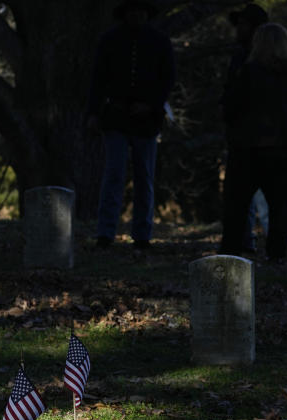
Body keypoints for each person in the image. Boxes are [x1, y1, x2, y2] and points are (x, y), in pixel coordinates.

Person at [87, 0, 175, 250]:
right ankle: (105, 233)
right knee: (114, 174)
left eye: (140, 10)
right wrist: (93, 112)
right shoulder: (110, 40)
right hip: (115, 116)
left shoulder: (159, 41)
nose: (136, 15)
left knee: (144, 176)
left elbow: (167, 78)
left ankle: (142, 234)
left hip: (146, 119)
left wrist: (151, 105)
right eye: (132, 11)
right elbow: (98, 79)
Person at [222, 22, 287, 261]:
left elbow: (230, 108)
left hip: (249, 147)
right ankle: (277, 254)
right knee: (280, 205)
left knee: (237, 204)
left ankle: (230, 252)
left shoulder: (248, 72)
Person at [222, 3, 269, 252]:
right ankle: (245, 240)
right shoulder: (241, 55)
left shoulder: (255, 61)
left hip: (254, 139)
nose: (238, 30)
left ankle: (248, 241)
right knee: (244, 198)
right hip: (244, 137)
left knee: (253, 196)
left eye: (243, 25)